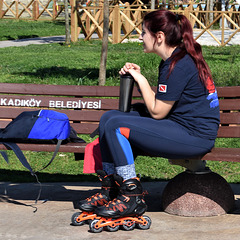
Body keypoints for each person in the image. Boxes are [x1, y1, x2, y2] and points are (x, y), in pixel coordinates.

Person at [78, 10, 220, 219]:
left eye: (143, 32)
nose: (140, 37)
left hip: (194, 137)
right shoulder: (174, 60)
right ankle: (111, 187)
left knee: (116, 125)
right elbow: (163, 104)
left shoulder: (178, 64)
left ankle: (131, 194)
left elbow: (157, 111)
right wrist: (138, 78)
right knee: (109, 118)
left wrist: (141, 79)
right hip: (179, 126)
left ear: (159, 36)